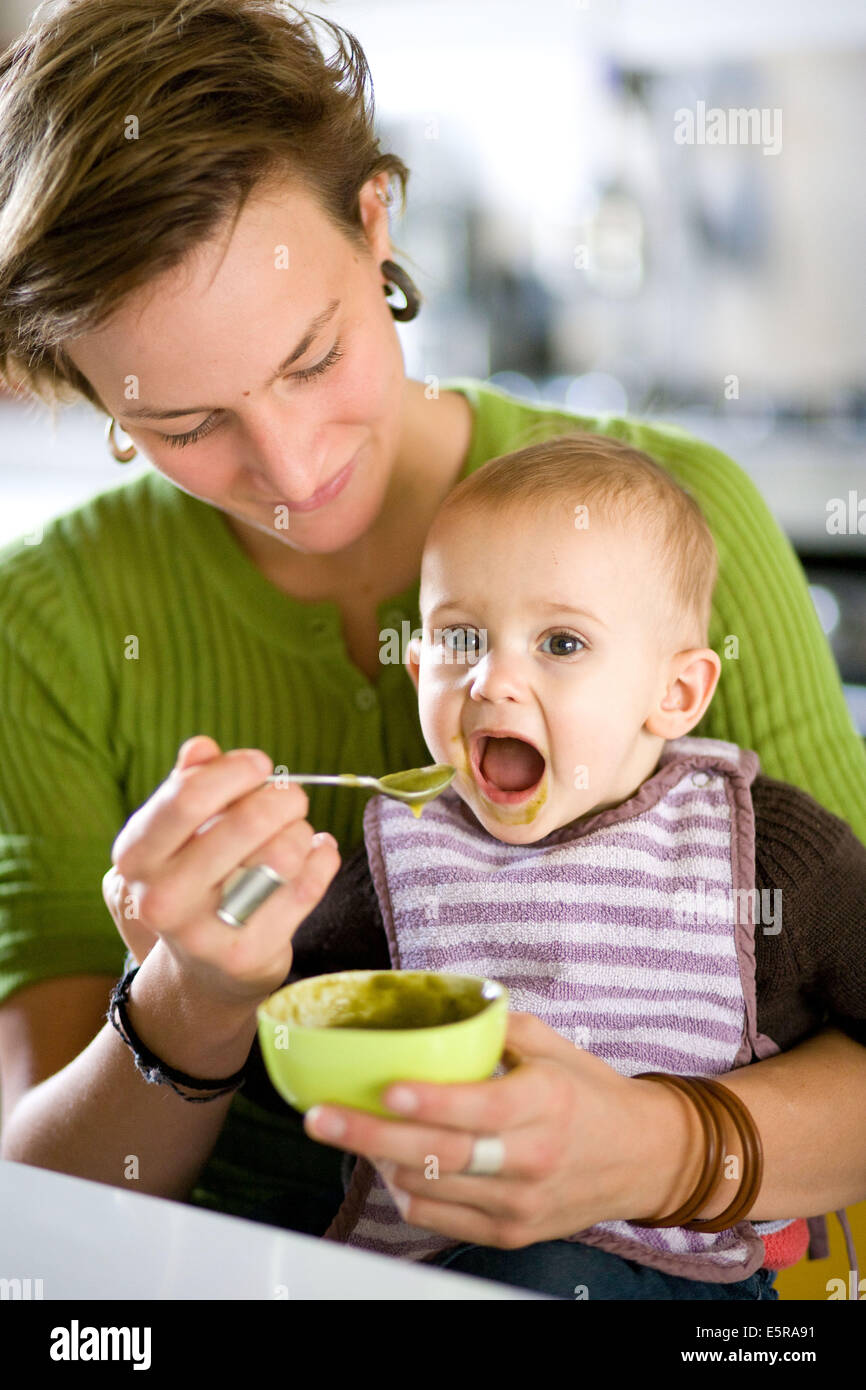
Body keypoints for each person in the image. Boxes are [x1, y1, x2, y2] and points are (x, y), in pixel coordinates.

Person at [0, 0, 864, 1287]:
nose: (290, 469)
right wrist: (190, 994)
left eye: (313, 355)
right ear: (87, 394)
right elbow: (50, 1210)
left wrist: (652, 1153)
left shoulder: (672, 522)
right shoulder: (51, 621)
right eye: (185, 423)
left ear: (376, 220)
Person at [255, 431, 866, 1299]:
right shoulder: (399, 855)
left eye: (563, 644)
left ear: (678, 693)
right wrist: (226, 939)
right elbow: (279, 1052)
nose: (493, 683)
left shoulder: (764, 854)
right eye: (462, 639)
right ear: (419, 665)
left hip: (677, 1279)